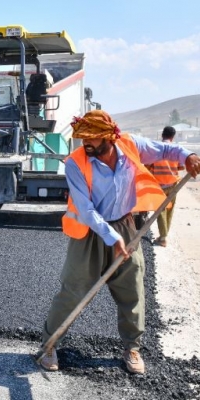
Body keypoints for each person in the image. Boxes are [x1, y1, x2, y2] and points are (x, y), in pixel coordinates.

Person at [39, 110, 200, 375]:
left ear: (109, 137)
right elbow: (85, 209)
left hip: (126, 227)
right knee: (73, 289)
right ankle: (50, 344)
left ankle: (131, 347)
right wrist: (111, 238)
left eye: (91, 138)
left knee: (133, 287)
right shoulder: (75, 163)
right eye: (83, 138)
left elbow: (165, 150)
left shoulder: (131, 145)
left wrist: (187, 156)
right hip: (89, 232)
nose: (85, 143)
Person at [148, 126, 184, 247]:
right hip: (173, 185)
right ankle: (164, 235)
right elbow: (181, 167)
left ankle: (163, 238)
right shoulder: (176, 150)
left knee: (160, 211)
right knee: (169, 210)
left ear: (162, 135)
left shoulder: (155, 149)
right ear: (172, 137)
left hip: (159, 185)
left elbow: (148, 166)